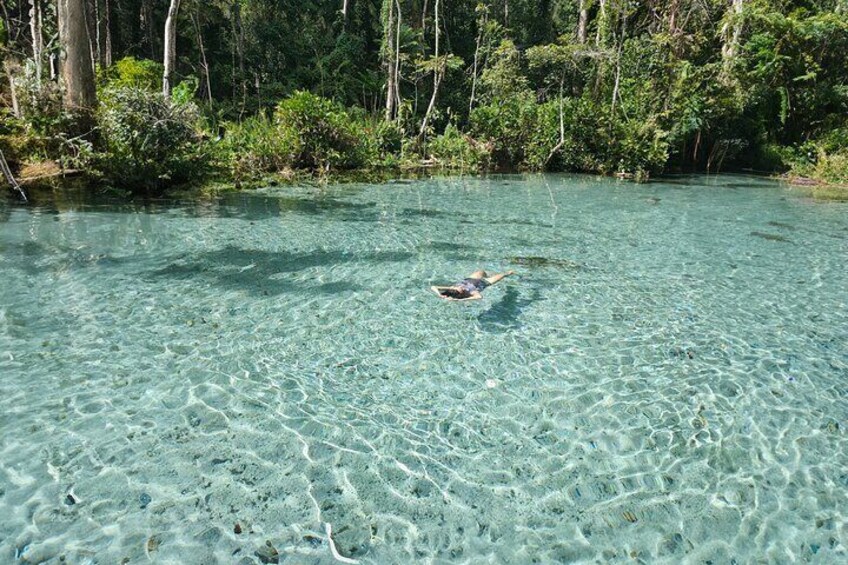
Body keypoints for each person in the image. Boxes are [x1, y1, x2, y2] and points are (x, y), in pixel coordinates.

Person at [431, 269, 516, 301]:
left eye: (458, 287)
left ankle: (490, 274)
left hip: (472, 278)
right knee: (504, 275)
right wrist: (460, 300)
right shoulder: (469, 293)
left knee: (482, 271)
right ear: (461, 293)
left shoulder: (451, 289)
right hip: (485, 282)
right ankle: (507, 273)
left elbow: (433, 287)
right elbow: (479, 297)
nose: (461, 287)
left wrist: (439, 294)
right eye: (461, 289)